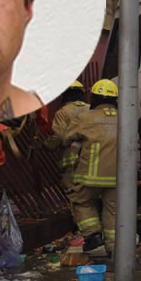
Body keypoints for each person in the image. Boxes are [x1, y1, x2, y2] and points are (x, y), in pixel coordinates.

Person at [64, 79, 118, 256]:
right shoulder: (125, 117)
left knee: (82, 201)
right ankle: (114, 245)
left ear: (94, 98)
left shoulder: (85, 118)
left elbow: (66, 137)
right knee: (113, 209)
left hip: (90, 175)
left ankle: (94, 239)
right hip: (118, 177)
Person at [45, 81, 89, 209]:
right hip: (93, 160)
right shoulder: (91, 109)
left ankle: (79, 225)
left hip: (72, 162)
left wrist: (47, 145)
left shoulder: (63, 112)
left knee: (75, 195)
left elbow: (59, 136)